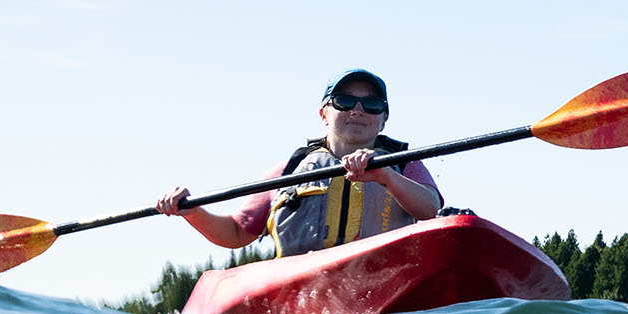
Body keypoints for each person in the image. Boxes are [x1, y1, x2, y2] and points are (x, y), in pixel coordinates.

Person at [157, 69, 443, 258]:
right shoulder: (287, 172)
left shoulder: (405, 165)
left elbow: (431, 210)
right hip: (305, 287)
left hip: (381, 278)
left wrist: (386, 177)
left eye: (371, 105)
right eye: (344, 101)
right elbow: (235, 233)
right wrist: (193, 213)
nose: (357, 110)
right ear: (323, 113)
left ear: (383, 120)